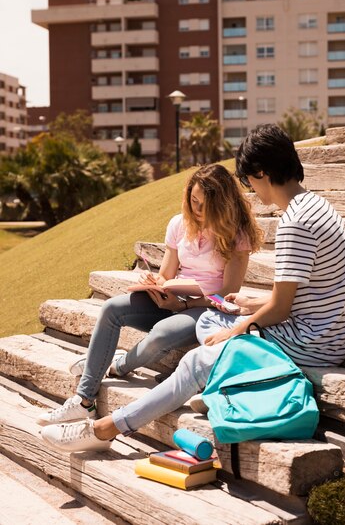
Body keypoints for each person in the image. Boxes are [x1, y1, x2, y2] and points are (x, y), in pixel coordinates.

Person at [41, 124, 345, 452]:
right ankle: (213, 386)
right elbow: (304, 294)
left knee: (196, 359)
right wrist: (251, 303)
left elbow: (281, 309)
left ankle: (104, 429)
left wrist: (236, 331)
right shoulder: (317, 207)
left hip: (312, 344)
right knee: (209, 323)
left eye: (247, 178)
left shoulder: (296, 223)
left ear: (261, 172)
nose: (249, 186)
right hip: (327, 332)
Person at [38, 163, 262, 427]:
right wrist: (155, 281)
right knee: (111, 309)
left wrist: (184, 304)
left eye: (205, 205)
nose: (197, 210)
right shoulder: (180, 224)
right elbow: (167, 273)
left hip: (207, 309)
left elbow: (227, 293)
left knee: (162, 334)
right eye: (193, 201)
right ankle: (84, 401)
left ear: (222, 205)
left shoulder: (237, 233)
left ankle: (116, 366)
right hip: (175, 297)